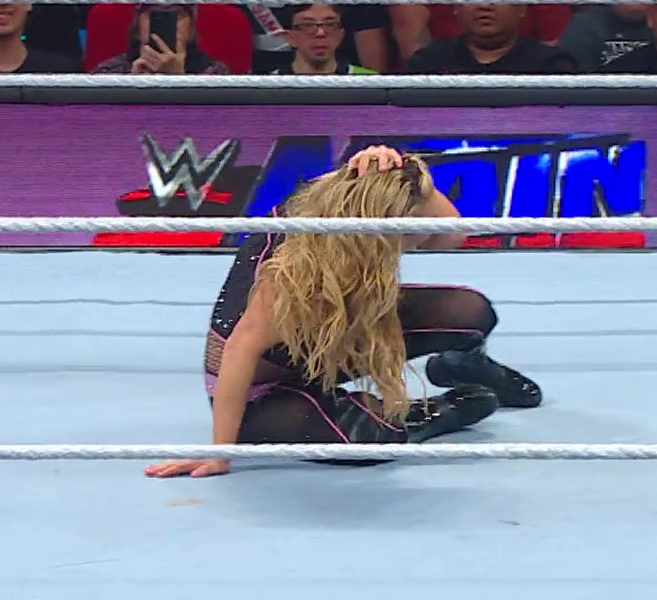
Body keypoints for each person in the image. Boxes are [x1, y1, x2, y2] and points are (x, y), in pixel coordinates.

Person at [147, 146, 542, 479]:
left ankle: (463, 365)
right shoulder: (294, 266)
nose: (424, 240)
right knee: (367, 440)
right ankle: (423, 416)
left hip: (331, 339)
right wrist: (220, 453)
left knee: (471, 312)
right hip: (261, 386)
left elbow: (452, 233)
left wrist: (404, 169)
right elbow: (240, 350)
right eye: (413, 233)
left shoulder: (364, 205)